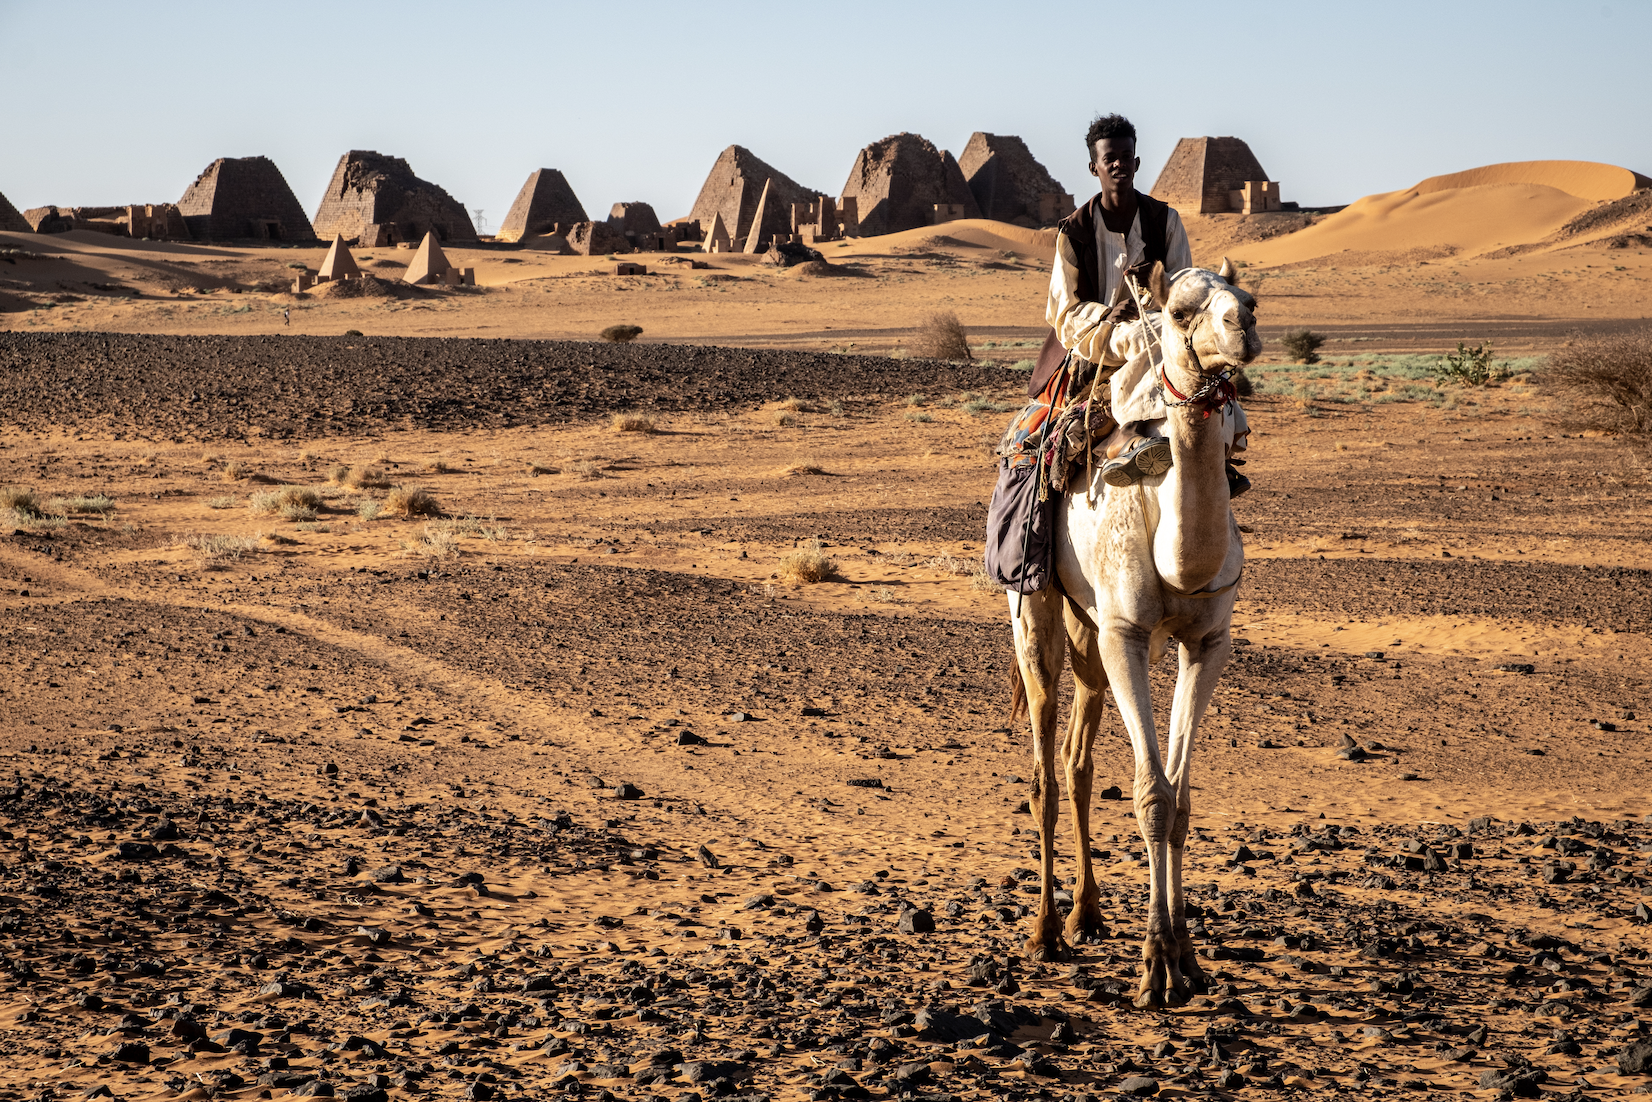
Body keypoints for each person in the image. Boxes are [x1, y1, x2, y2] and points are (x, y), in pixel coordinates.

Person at [1041, 113, 1248, 492]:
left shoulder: (1164, 221)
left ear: (1136, 163)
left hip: (1160, 329)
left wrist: (1157, 302)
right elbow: (1065, 312)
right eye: (1110, 158)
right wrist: (1108, 313)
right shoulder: (1073, 233)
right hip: (1098, 338)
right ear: (1095, 167)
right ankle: (1132, 430)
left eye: (1125, 156)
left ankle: (1216, 461)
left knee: (1208, 372)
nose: (1119, 164)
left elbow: (1185, 291)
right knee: (1141, 338)